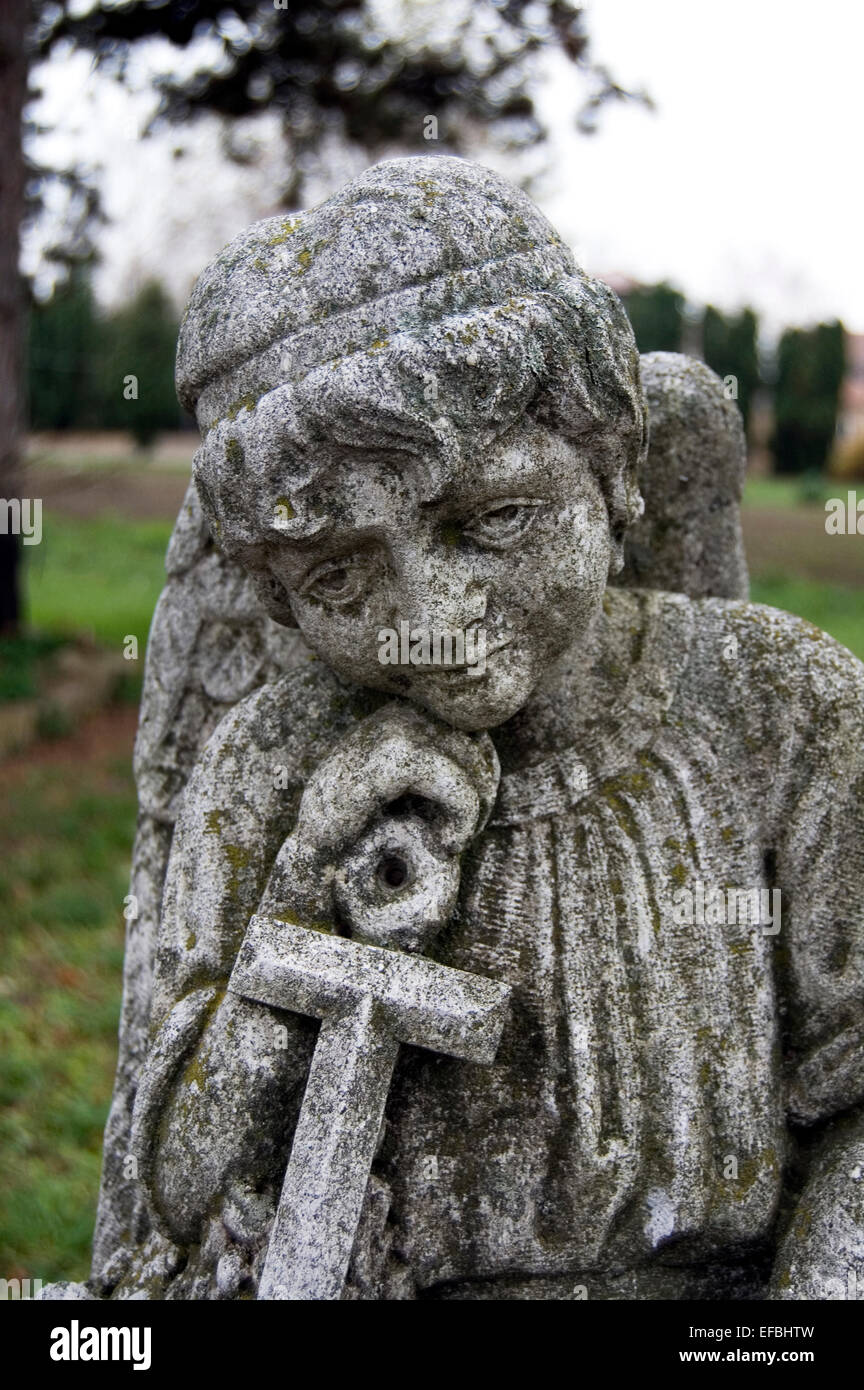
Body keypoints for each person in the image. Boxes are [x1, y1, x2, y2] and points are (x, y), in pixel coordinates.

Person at [107, 156, 864, 1301]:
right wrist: (303, 897)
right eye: (342, 580)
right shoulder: (273, 761)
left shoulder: (783, 713)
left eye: (495, 519)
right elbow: (172, 1185)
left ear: (613, 463)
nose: (429, 623)